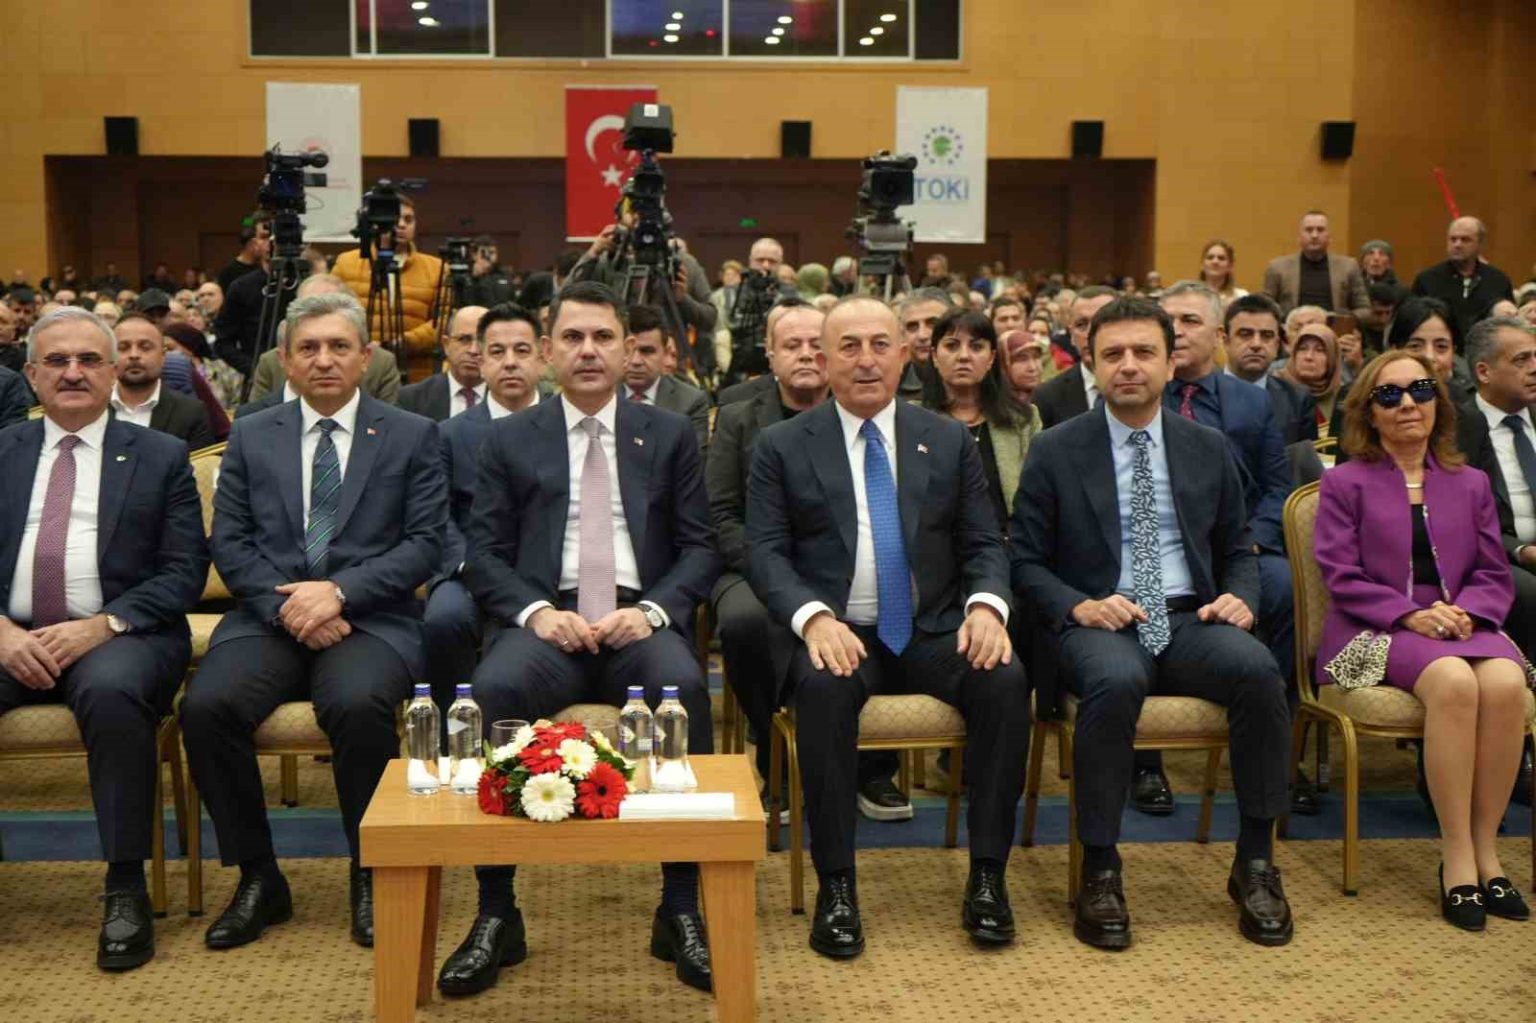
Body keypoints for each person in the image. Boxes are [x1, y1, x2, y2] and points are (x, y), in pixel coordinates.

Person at [446, 281, 719, 997]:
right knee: (492, 690)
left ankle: (680, 907)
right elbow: (483, 552)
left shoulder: (669, 433)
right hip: (549, 620)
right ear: (548, 351)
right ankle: (496, 912)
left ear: (629, 349)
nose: (589, 351)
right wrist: (536, 612)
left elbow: (700, 548)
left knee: (685, 690)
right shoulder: (507, 437)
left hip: (636, 618)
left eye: (603, 337)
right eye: (573, 338)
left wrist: (653, 610)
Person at [746, 296, 1029, 958]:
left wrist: (987, 606)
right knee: (822, 689)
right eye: (848, 346)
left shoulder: (948, 439)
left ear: (906, 355)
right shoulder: (782, 445)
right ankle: (837, 885)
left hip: (934, 629)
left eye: (881, 344)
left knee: (1005, 679)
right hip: (839, 630)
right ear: (824, 359)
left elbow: (984, 541)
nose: (866, 359)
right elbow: (765, 552)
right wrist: (813, 618)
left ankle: (989, 876)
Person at [1012, 295, 1294, 949]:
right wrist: (1078, 605)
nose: (1129, 365)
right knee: (1114, 682)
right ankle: (1101, 867)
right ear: (1091, 363)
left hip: (1190, 615)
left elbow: (1237, 549)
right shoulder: (1056, 448)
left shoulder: (1207, 446)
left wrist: (1240, 597)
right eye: (1113, 354)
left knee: (1258, 671)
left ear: (1172, 363)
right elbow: (1022, 561)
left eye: (1144, 352)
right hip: (1101, 620)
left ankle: (1256, 860)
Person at [180, 291, 447, 952]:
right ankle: (258, 876)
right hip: (268, 615)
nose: (324, 359)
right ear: (285, 359)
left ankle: (371, 870)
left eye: (338, 347)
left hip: (371, 618)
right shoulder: (251, 431)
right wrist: (289, 606)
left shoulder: (412, 433)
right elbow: (230, 541)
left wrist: (339, 593)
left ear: (366, 356)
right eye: (309, 348)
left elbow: (425, 544)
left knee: (356, 705)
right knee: (207, 708)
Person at [0, 307, 208, 970]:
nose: (73, 372)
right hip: (10, 633)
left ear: (114, 371)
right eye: (57, 361)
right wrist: (2, 633)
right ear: (31, 374)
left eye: (89, 360)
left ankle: (125, 885)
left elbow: (183, 571)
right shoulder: (3, 450)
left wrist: (101, 625)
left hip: (123, 632)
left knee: (114, 695)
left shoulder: (160, 455)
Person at [1313, 349, 1530, 930]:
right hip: (1373, 627)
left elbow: (1494, 571)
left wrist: (1465, 613)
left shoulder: (1471, 482)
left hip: (1463, 620)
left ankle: (1488, 852)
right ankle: (1456, 857)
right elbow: (1341, 576)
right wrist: (1411, 615)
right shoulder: (1344, 483)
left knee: (1506, 683)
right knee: (1454, 682)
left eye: (1421, 390)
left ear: (1439, 402)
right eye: (1390, 395)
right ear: (1369, 412)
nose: (1408, 403)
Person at [1145, 281, 1302, 814]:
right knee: (1143, 593)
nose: (1176, 331)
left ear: (1217, 335)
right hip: (1164, 552)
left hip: (1240, 548)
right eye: (1167, 321)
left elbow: (1277, 487)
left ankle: (1272, 747)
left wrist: (1251, 544)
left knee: (1287, 590)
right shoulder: (1141, 398)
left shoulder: (1251, 403)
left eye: (1189, 321)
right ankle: (1146, 762)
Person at [708, 303, 832, 811]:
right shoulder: (739, 418)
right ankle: (771, 747)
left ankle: (872, 768)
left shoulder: (854, 416)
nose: (806, 355)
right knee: (743, 623)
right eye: (792, 345)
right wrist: (771, 568)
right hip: (750, 566)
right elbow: (720, 513)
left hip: (835, 566)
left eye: (817, 345)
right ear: (770, 355)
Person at [425, 303, 548, 724]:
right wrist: (471, 566)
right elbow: (437, 516)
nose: (510, 362)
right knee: (444, 618)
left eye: (521, 350)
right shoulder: (448, 434)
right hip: (468, 569)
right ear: (480, 359)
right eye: (497, 351)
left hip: (548, 570)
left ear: (543, 355)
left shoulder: (566, 425)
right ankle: (452, 734)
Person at [922, 309, 1040, 528]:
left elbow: (1038, 498)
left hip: (1011, 542)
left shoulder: (1024, 420)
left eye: (976, 347)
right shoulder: (914, 419)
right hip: (939, 543)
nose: (964, 356)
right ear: (935, 356)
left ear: (991, 358)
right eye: (952, 346)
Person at [331, 193, 445, 380]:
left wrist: (405, 341)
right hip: (358, 368)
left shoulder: (437, 268)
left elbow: (443, 322)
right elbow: (330, 313)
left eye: (408, 219)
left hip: (415, 371)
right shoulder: (346, 263)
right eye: (395, 219)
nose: (402, 225)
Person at [244, 274, 403, 406]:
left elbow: (390, 423)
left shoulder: (382, 363)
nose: (323, 362)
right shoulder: (270, 362)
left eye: (340, 346)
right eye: (306, 308)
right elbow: (257, 417)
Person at [1222, 293, 1319, 444]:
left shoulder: (1297, 400)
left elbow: (1304, 457)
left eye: (1266, 336)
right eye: (1245, 334)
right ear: (1225, 341)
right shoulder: (1197, 394)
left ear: (1277, 344)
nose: (1256, 344)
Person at [110, 314, 215, 450]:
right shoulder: (91, 408)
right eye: (123, 348)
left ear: (163, 356)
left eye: (145, 347)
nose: (134, 355)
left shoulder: (191, 413)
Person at [1412, 217, 1517, 343]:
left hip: (1486, 348)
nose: (1457, 245)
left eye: (1465, 240)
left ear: (1480, 244)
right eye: (1453, 239)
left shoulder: (1498, 280)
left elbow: (1510, 325)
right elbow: (1413, 321)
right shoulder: (1428, 279)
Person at [622, 304, 710, 455]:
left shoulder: (690, 402)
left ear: (664, 353)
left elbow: (693, 463)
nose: (635, 361)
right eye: (628, 350)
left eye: (647, 351)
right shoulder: (596, 395)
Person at [1260, 210, 1371, 322]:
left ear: (1329, 237)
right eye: (1309, 230)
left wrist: (1343, 320)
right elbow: (1265, 307)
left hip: (1335, 330)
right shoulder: (1278, 268)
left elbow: (1365, 310)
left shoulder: (1349, 267)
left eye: (1320, 230)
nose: (1314, 235)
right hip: (1292, 329)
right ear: (1299, 237)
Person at [1032, 285, 1118, 427]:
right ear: (1071, 335)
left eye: (1101, 322)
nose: (1090, 334)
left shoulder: (1149, 387)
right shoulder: (1047, 396)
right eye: (1081, 324)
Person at [396, 305, 488, 421]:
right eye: (464, 339)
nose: (473, 350)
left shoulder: (507, 398)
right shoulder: (412, 399)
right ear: (446, 345)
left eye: (482, 341)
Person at [1273, 320, 1345, 441]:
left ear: (1332, 358)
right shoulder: (1273, 390)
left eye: (1320, 350)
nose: (1309, 357)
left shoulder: (1344, 399)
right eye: (1302, 349)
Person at [163, 321, 244, 412]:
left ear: (189, 347)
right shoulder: (166, 377)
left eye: (170, 348)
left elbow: (238, 399)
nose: (165, 354)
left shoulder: (221, 368)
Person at [895, 287, 954, 401]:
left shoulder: (979, 383)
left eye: (932, 324)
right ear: (902, 334)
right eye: (912, 326)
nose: (922, 335)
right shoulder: (889, 388)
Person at [216, 216, 271, 295]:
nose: (270, 243)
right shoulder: (228, 272)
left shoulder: (266, 268)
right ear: (251, 243)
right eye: (264, 238)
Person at [998, 328, 1048, 407]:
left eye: (1036, 357)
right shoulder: (993, 405)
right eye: (1022, 359)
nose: (1032, 368)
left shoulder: (1052, 397)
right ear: (1004, 363)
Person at [462, 236, 516, 309]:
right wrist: (475, 278)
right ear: (474, 255)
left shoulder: (504, 275)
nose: (488, 257)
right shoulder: (466, 276)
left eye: (492, 252)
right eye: (483, 253)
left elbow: (512, 302)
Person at [1198, 239, 1248, 305]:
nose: (1215, 262)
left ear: (1230, 266)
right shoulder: (1190, 296)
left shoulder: (1241, 296)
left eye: (1221, 258)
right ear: (1202, 265)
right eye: (1210, 257)